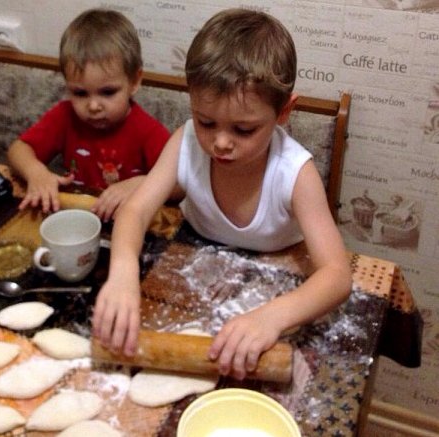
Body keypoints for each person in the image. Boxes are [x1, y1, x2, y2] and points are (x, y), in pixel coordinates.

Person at [93, 9, 352, 380]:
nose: (221, 143)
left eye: (243, 130)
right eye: (206, 122)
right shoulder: (185, 142)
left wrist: (271, 317)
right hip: (193, 265)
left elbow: (337, 275)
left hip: (275, 275)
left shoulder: (295, 173)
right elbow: (135, 212)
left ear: (284, 112)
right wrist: (122, 273)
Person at [7, 9, 170, 221]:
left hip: (125, 222)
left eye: (108, 92)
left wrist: (142, 184)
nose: (93, 106)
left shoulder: (147, 130)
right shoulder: (65, 116)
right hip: (75, 218)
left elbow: (181, 184)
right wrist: (36, 173)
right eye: (80, 93)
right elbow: (17, 150)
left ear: (135, 81)